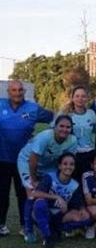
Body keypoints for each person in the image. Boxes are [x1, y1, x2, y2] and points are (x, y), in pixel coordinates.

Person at [0, 79, 54, 236]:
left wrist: (42, 139)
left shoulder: (33, 108)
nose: (17, 93)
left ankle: (25, 226)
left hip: (24, 160)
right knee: (2, 193)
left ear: (24, 92)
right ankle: (1, 224)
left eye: (20, 90)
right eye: (14, 90)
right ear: (8, 92)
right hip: (2, 158)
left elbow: (52, 117)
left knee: (24, 192)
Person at [17, 114, 78, 240]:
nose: (64, 129)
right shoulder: (45, 136)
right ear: (55, 127)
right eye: (61, 126)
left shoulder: (72, 141)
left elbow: (67, 160)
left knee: (49, 191)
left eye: (68, 127)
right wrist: (34, 180)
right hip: (27, 161)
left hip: (48, 165)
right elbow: (33, 160)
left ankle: (50, 224)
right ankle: (27, 230)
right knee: (32, 193)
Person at [25, 153, 91, 248]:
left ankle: (57, 230)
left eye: (71, 164)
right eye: (65, 164)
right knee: (40, 203)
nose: (68, 167)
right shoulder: (50, 177)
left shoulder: (74, 185)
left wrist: (83, 210)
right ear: (59, 166)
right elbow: (35, 193)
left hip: (60, 215)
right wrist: (57, 197)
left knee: (85, 217)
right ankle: (47, 238)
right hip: (44, 213)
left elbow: (79, 204)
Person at [57, 86, 96, 181]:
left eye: (83, 96)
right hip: (71, 153)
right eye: (77, 96)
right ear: (72, 98)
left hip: (89, 153)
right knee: (72, 181)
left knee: (87, 182)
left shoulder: (91, 114)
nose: (80, 99)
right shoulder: (65, 113)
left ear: (87, 98)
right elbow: (55, 131)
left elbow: (95, 132)